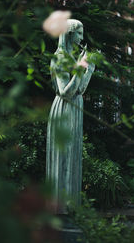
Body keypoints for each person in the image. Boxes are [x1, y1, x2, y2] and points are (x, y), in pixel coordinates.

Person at [46, 19, 95, 213]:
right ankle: (59, 209)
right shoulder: (60, 58)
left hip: (75, 108)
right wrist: (80, 68)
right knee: (63, 156)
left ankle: (70, 205)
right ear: (69, 33)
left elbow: (80, 89)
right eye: (79, 33)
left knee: (72, 156)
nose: (82, 38)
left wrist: (88, 67)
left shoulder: (72, 58)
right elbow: (65, 92)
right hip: (64, 109)